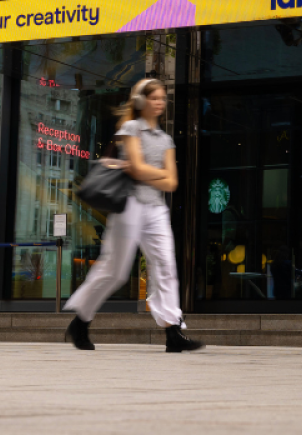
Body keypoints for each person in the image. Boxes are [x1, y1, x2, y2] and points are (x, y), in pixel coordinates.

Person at [64, 78, 204, 353]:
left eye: (163, 98)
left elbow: (172, 183)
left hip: (156, 210)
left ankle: (173, 332)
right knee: (115, 272)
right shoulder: (130, 129)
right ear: (141, 101)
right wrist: (156, 174)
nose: (160, 102)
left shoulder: (165, 139)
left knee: (165, 267)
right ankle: (81, 321)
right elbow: (139, 171)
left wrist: (149, 173)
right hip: (129, 205)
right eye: (154, 98)